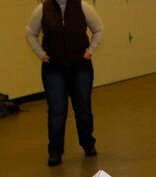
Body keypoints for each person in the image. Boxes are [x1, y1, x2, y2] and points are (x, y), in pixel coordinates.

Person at [26, 0, 104, 167]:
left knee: (83, 106)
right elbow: (30, 33)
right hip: (53, 68)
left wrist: (91, 50)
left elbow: (98, 29)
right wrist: (40, 54)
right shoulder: (42, 9)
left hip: (80, 65)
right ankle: (55, 152)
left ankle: (88, 143)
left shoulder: (83, 7)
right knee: (57, 110)